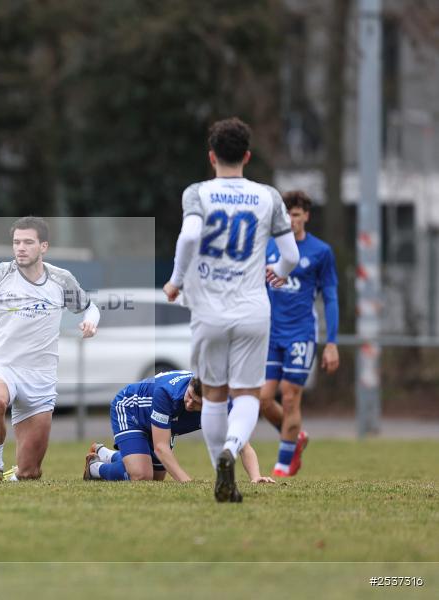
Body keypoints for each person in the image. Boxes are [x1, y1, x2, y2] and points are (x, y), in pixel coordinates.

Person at [163, 117, 299, 502]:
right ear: (247, 156)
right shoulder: (267, 196)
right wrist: (279, 271)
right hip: (253, 309)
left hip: (209, 311)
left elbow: (190, 235)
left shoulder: (198, 193)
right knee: (248, 395)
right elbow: (290, 255)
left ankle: (223, 474)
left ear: (211, 157)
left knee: (214, 395)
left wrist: (176, 280)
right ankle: (231, 447)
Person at [0, 216, 100, 481]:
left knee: (30, 473)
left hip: (40, 377)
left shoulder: (61, 279)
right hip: (3, 367)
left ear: (44, 246)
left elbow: (90, 307)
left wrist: (91, 322)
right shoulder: (1, 273)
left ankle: (16, 473)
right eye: (16, 242)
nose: (21, 248)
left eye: (28, 242)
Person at [83, 371, 274, 489]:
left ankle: (105, 453)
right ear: (190, 384)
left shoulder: (223, 406)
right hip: (130, 409)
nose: (189, 403)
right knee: (141, 476)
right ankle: (95, 468)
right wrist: (187, 483)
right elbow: (161, 447)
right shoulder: (167, 394)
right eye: (190, 395)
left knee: (156, 479)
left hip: (162, 423)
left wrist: (256, 477)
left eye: (197, 403)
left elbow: (243, 446)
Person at [262, 190, 340, 477]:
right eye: (286, 215)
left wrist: (331, 343)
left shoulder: (320, 252)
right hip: (270, 334)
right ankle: (296, 438)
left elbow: (330, 297)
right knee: (262, 399)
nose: (291, 220)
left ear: (306, 216)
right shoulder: (269, 247)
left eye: (295, 215)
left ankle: (282, 466)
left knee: (289, 396)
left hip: (301, 334)